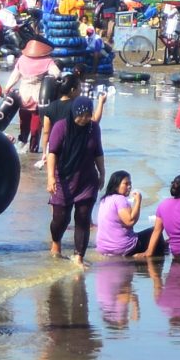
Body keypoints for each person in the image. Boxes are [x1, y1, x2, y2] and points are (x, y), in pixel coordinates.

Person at [45, 92, 105, 262]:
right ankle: (56, 242)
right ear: (73, 113)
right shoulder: (61, 127)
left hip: (87, 180)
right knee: (60, 219)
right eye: (81, 116)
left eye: (88, 115)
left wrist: (102, 173)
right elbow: (53, 153)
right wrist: (50, 177)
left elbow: (98, 152)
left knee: (83, 218)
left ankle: (79, 256)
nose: (84, 119)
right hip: (63, 178)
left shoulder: (94, 128)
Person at [92, 170, 149, 257]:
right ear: (116, 186)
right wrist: (138, 201)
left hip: (103, 248)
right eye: (126, 184)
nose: (129, 187)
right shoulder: (120, 199)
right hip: (121, 247)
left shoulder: (105, 199)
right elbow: (130, 222)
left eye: (130, 184)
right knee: (155, 233)